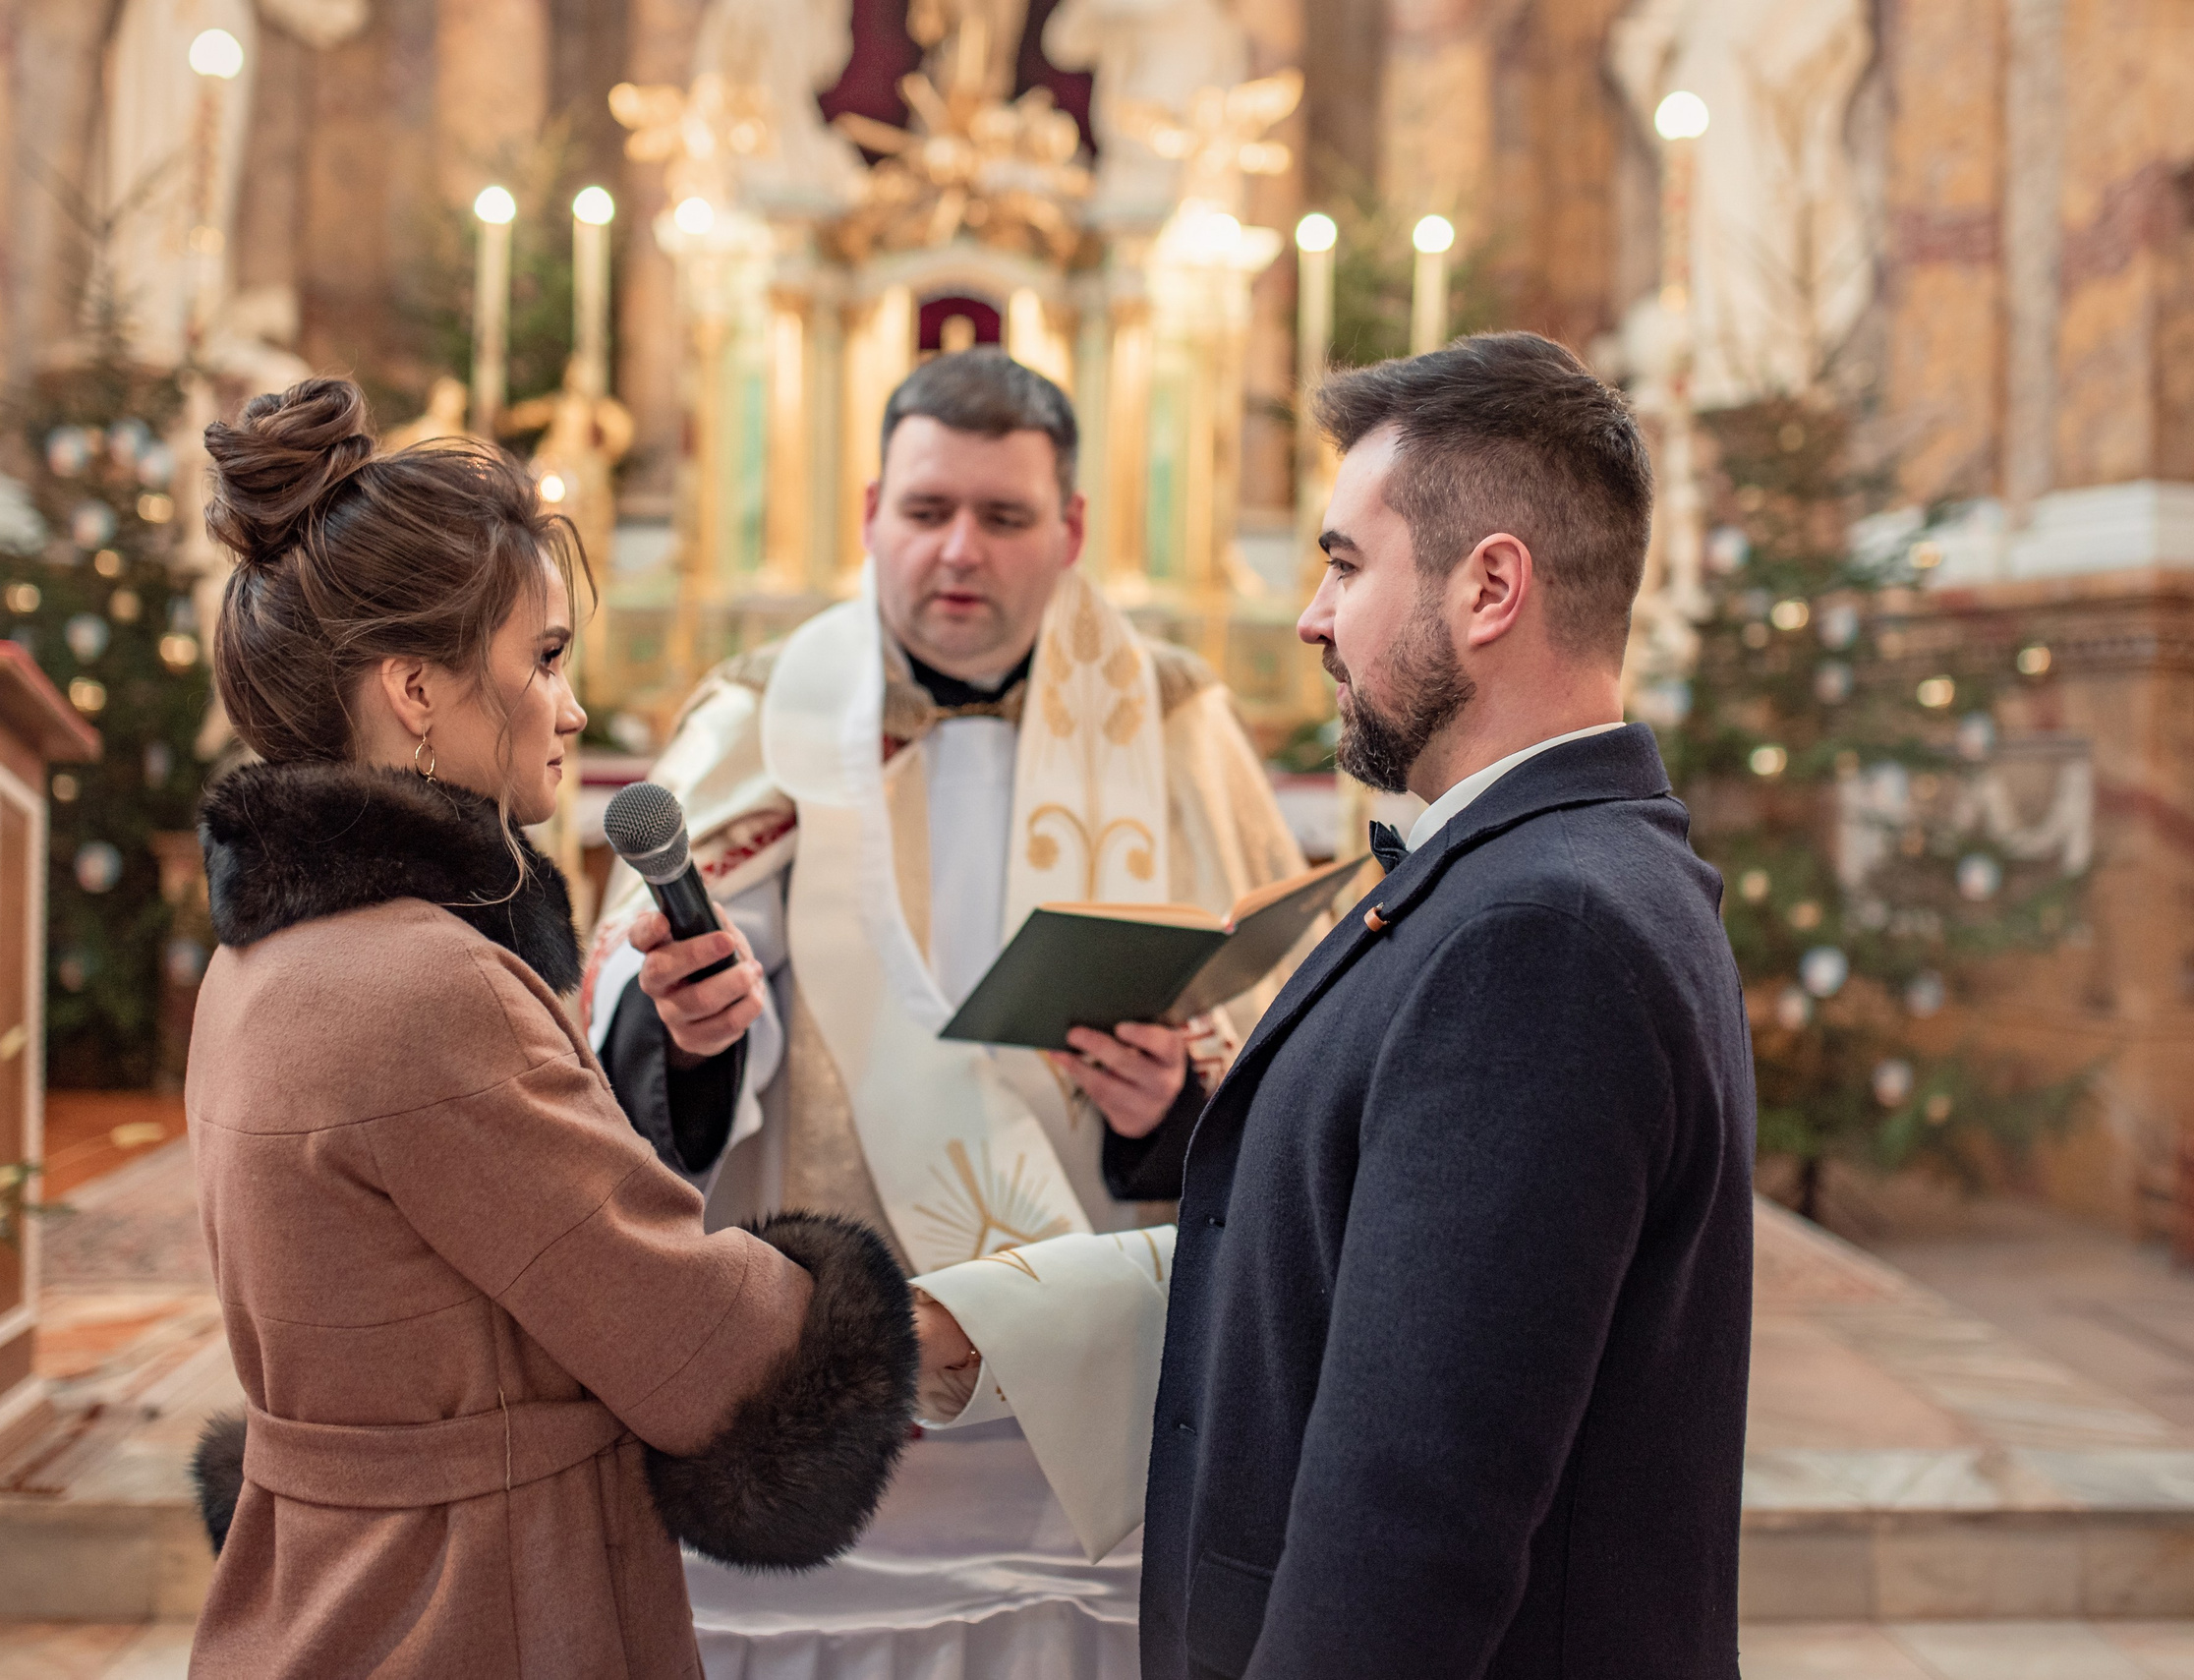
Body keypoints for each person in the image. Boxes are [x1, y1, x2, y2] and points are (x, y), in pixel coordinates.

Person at [912, 332, 1759, 1677]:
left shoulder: (1541, 932)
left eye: (1347, 564)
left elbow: (1418, 1510)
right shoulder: (1543, 872)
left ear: (1491, 587)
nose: (1311, 615)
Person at [179, 377, 921, 1679]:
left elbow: (476, 1260)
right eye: (546, 657)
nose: (572, 709)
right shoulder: (423, 987)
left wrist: (674, 1063)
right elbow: (696, 1347)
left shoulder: (271, 957)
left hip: (336, 1582)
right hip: (469, 1606)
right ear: (416, 688)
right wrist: (918, 1318)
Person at [580, 349, 1310, 1661]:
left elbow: (1278, 1036)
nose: (959, 550)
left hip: (1094, 1387)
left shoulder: (1179, 722)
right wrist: (691, 1039)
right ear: (872, 510)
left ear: (1073, 528)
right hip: (831, 1380)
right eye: (927, 512)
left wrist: (1174, 1106)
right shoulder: (763, 717)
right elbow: (635, 1032)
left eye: (1005, 515)